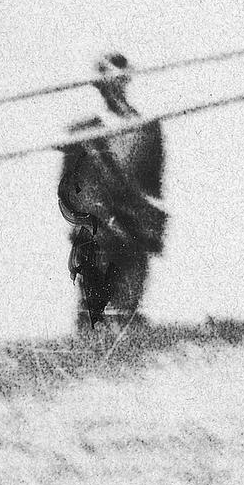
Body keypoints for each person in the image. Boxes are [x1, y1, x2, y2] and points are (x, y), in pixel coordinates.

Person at [56, 52, 166, 329]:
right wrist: (103, 219)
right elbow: (71, 189)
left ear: (127, 77)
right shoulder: (83, 132)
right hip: (96, 230)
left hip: (134, 231)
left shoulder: (148, 129)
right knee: (94, 314)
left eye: (116, 73)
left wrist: (147, 225)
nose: (110, 82)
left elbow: (153, 185)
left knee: (128, 311)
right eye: (103, 74)